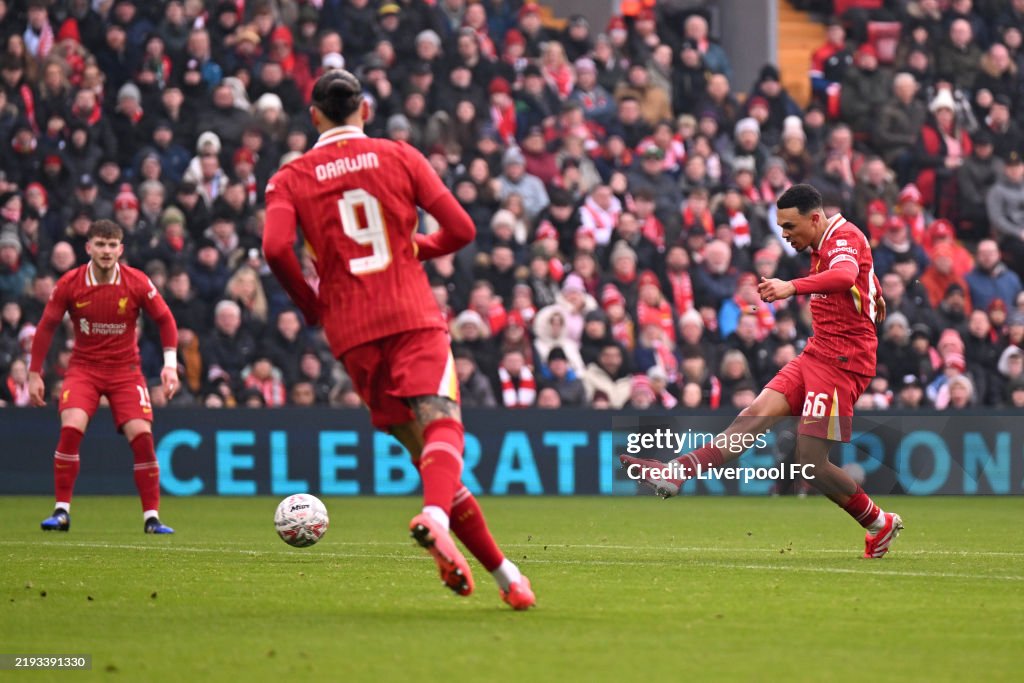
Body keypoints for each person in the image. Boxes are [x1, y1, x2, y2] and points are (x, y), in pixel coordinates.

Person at [262, 69, 534, 609]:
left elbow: (274, 249)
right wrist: (413, 250)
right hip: (409, 312)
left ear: (313, 115)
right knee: (445, 428)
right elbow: (462, 230)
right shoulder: (399, 155)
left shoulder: (290, 176)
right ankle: (434, 519)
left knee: (431, 458)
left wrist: (312, 304)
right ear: (364, 109)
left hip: (350, 332)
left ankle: (508, 579)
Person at [621, 184, 904, 559]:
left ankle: (879, 523)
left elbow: (844, 274)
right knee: (751, 417)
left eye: (789, 225)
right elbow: (858, 275)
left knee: (811, 465)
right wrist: (874, 292)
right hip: (816, 354)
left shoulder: (843, 236)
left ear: (815, 218)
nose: (784, 234)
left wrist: (791, 287)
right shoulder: (826, 242)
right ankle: (676, 472)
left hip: (842, 364)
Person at [28, 220, 180, 534]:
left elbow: (165, 319)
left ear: (121, 249)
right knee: (70, 428)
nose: (106, 251)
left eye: (112, 245)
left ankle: (151, 518)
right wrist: (34, 373)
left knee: (143, 438)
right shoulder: (71, 283)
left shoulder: (136, 282)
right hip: (84, 368)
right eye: (100, 244)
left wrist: (169, 364)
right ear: (89, 248)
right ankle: (61, 512)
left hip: (126, 371)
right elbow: (46, 326)